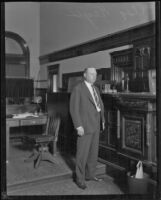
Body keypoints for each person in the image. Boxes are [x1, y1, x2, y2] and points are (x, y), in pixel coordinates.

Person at [69, 67, 105, 189]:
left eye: (95, 74)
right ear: (85, 75)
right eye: (91, 74)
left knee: (93, 153)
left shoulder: (96, 89)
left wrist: (102, 121)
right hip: (84, 126)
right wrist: (78, 126)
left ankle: (90, 175)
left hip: (96, 124)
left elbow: (99, 107)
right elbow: (73, 109)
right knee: (82, 154)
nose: (94, 76)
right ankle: (80, 178)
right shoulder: (78, 89)